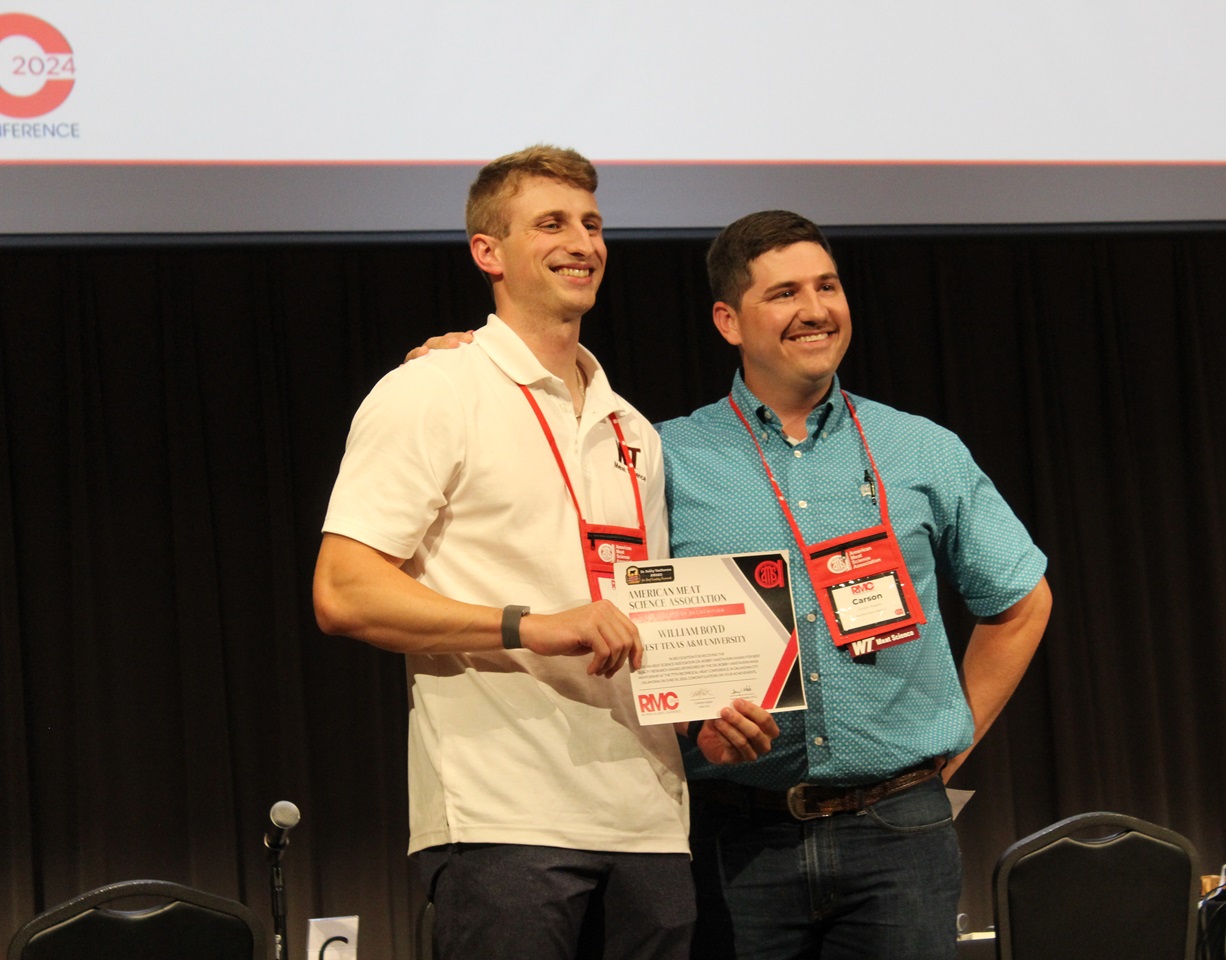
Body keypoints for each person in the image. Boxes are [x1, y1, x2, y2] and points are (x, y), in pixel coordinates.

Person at [409, 208, 1052, 959]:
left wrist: (950, 745)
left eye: (828, 287)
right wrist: (458, 362)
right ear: (728, 320)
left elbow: (1020, 601)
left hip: (898, 835)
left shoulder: (921, 448)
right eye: (783, 294)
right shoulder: (660, 454)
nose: (815, 310)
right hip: (735, 835)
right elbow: (630, 617)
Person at [313, 144, 777, 960]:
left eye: (594, 224)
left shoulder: (631, 426)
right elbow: (344, 592)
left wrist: (703, 714)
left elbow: (644, 609)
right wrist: (532, 626)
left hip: (649, 818)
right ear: (487, 253)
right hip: (505, 818)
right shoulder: (433, 389)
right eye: (552, 223)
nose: (584, 242)